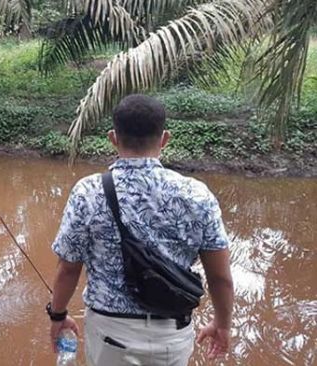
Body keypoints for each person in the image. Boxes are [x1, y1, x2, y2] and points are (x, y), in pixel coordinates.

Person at [47, 94, 234, 365]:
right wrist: (223, 324)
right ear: (164, 139)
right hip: (172, 336)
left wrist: (58, 315)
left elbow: (67, 269)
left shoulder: (88, 192)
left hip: (110, 336)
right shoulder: (197, 194)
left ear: (113, 137)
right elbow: (221, 278)